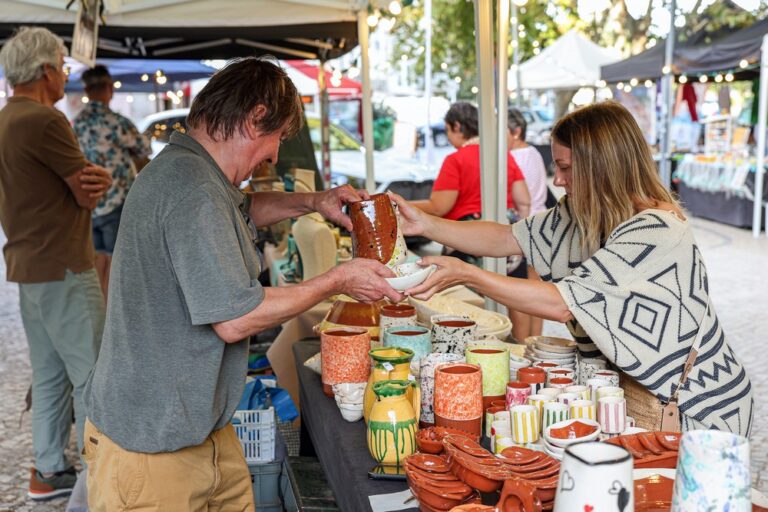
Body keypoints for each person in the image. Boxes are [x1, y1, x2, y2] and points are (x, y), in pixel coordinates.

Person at [83, 57, 403, 511]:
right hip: (152, 449)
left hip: (200, 431)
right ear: (255, 119)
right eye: (276, 138)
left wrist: (314, 201)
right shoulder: (191, 188)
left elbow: (243, 209)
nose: (274, 155)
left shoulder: (194, 174)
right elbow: (235, 318)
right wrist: (338, 280)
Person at [393, 101, 753, 435]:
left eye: (565, 168)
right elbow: (508, 237)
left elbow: (562, 302)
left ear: (602, 166)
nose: (558, 180)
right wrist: (425, 224)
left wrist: (467, 273)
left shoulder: (657, 230)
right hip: (636, 394)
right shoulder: (585, 214)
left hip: (696, 407)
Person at [0, 26, 112, 500]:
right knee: (91, 374)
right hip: (64, 263)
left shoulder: (6, 117)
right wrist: (101, 177)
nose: (65, 76)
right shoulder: (46, 120)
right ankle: (99, 474)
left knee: (48, 377)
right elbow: (87, 190)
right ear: (45, 70)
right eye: (63, 67)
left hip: (29, 265)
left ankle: (47, 470)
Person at [410, 101, 530, 275]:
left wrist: (403, 204)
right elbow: (524, 201)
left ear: (457, 126)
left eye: (447, 130)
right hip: (507, 242)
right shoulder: (503, 156)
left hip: (467, 242)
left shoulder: (455, 160)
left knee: (468, 299)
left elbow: (439, 207)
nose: (448, 136)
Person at [74, 64, 152, 300]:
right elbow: (144, 147)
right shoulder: (117, 121)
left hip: (88, 202)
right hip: (117, 199)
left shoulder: (77, 123)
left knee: (97, 260)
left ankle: (98, 314)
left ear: (86, 90)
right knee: (115, 262)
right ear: (109, 89)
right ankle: (110, 317)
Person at [506, 108, 548, 340]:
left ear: (516, 132)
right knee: (537, 291)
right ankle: (536, 344)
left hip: (525, 227)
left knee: (520, 294)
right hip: (542, 224)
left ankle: (522, 346)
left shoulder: (514, 157)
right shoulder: (534, 152)